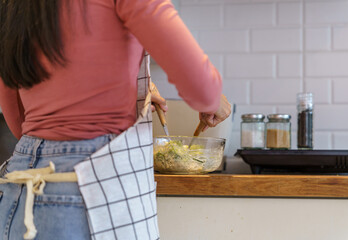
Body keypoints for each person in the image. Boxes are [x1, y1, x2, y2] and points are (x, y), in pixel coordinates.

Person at [0, 0, 231, 239]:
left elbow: (16, 111)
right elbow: (200, 85)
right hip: (89, 188)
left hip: (19, 188)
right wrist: (214, 101)